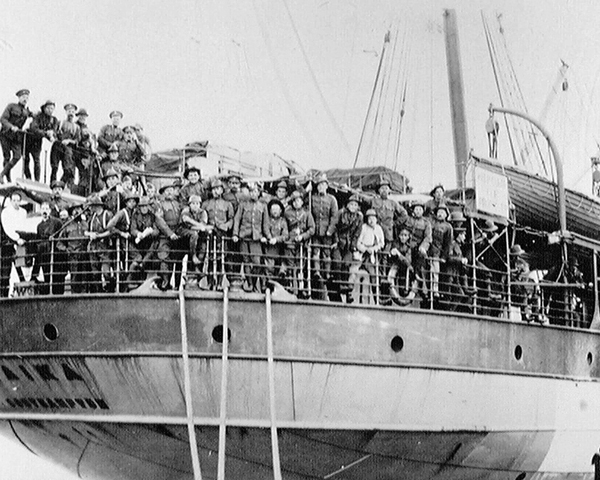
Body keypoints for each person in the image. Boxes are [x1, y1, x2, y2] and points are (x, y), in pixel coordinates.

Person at [365, 176, 408, 303]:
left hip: (388, 236)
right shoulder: (374, 202)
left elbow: (404, 214)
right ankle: (379, 292)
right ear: (378, 191)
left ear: (389, 191)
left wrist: (395, 223)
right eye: (382, 188)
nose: (384, 190)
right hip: (375, 235)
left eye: (386, 188)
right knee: (375, 261)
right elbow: (362, 198)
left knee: (384, 259)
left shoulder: (393, 204)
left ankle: (385, 290)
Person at [233, 182, 267, 292]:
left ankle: (252, 279)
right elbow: (237, 219)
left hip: (256, 238)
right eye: (251, 191)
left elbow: (265, 223)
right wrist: (235, 234)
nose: (253, 194)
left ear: (259, 193)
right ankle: (250, 284)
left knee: (257, 263)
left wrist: (267, 236)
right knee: (246, 260)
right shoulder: (243, 204)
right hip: (244, 236)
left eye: (255, 192)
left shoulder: (263, 206)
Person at [330, 194, 363, 303]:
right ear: (347, 205)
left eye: (355, 205)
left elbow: (357, 232)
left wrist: (353, 245)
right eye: (351, 204)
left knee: (346, 263)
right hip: (338, 242)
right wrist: (335, 241)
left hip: (348, 244)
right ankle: (339, 284)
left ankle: (345, 287)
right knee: (337, 262)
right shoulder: (341, 213)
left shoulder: (359, 217)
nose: (353, 206)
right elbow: (334, 227)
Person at [203, 177, 234, 289]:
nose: (216, 191)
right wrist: (206, 227)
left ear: (222, 190)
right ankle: (210, 281)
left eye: (218, 189)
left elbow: (231, 219)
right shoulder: (206, 204)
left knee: (222, 256)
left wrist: (226, 226)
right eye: (214, 189)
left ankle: (220, 282)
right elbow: (202, 218)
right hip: (210, 233)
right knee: (210, 256)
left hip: (222, 233)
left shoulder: (227, 204)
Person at [106, 192, 139, 290]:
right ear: (126, 203)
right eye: (130, 202)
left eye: (134, 201)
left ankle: (127, 283)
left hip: (132, 240)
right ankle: (127, 281)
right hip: (122, 241)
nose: (132, 204)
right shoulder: (122, 213)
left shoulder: (134, 213)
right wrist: (121, 233)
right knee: (138, 257)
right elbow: (109, 226)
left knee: (131, 262)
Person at [284, 190, 315, 296]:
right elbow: (284, 227)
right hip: (290, 243)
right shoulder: (287, 213)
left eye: (298, 200)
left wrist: (302, 236)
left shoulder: (307, 214)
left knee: (301, 265)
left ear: (302, 202)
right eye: (294, 201)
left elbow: (312, 229)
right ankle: (292, 288)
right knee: (291, 267)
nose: (296, 203)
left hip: (302, 244)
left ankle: (302, 289)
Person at [154, 182, 184, 290]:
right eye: (167, 191)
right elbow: (159, 220)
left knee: (178, 259)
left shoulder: (177, 204)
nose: (170, 192)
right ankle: (165, 282)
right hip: (165, 235)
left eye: (171, 190)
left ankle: (177, 285)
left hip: (177, 233)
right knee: (164, 257)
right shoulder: (160, 205)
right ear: (163, 193)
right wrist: (170, 233)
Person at [32, 202, 67, 294]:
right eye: (43, 209)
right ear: (40, 211)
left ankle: (58, 295)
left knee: (57, 275)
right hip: (44, 254)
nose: (44, 211)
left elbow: (62, 235)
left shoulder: (57, 222)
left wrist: (54, 240)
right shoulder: (39, 226)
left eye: (46, 209)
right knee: (46, 274)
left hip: (55, 253)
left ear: (50, 211)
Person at [0, 89, 33, 183]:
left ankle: (1, 174)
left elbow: (33, 116)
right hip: (5, 134)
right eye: (23, 97)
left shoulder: (26, 111)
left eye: (27, 97)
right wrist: (11, 127)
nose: (25, 99)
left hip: (16, 137)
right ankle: (7, 178)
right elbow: (3, 119)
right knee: (7, 157)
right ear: (19, 98)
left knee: (17, 156)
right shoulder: (11, 106)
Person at [311, 173, 338, 286]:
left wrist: (330, 230)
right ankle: (316, 272)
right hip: (316, 230)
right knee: (316, 251)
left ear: (327, 186)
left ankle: (327, 274)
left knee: (327, 253)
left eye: (323, 185)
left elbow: (334, 217)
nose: (321, 187)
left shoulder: (332, 199)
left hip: (327, 231)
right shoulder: (312, 198)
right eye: (319, 185)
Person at [178, 194, 211, 286]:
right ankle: (193, 256)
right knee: (194, 235)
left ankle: (197, 270)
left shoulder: (203, 212)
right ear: (189, 204)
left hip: (197, 236)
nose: (195, 205)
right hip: (184, 233)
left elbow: (203, 224)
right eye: (193, 203)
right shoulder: (185, 211)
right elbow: (186, 223)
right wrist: (198, 226)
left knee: (203, 247)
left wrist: (199, 226)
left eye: (197, 203)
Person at [0, 191, 28, 296]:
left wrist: (22, 238)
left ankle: (23, 291)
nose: (16, 202)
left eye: (18, 200)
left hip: (20, 242)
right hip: (8, 242)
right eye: (14, 200)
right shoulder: (6, 212)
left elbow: (23, 226)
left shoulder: (23, 212)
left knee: (20, 267)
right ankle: (3, 295)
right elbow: (7, 228)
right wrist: (16, 238)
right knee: (5, 272)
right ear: (11, 201)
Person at [85, 195, 115, 292]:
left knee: (106, 271)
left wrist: (99, 236)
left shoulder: (107, 215)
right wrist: (91, 234)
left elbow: (111, 231)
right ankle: (99, 291)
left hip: (105, 247)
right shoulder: (92, 217)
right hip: (94, 248)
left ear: (97, 206)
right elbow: (85, 231)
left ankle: (110, 289)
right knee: (95, 273)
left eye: (92, 206)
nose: (90, 208)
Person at [24, 99, 59, 182]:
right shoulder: (38, 116)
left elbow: (54, 132)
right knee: (26, 160)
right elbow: (33, 128)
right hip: (28, 138)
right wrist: (46, 133)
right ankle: (28, 178)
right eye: (48, 108)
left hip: (37, 141)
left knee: (37, 160)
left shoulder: (53, 120)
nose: (50, 110)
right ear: (44, 108)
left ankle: (37, 181)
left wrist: (51, 135)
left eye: (52, 108)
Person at [128, 196, 159, 285]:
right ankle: (129, 282)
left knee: (152, 249)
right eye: (142, 206)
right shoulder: (135, 216)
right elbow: (132, 230)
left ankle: (141, 280)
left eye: (145, 206)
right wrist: (139, 234)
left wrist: (150, 232)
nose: (144, 208)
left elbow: (156, 231)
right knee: (136, 261)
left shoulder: (152, 216)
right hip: (138, 243)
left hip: (149, 243)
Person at [404, 200, 432, 298]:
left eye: (420, 209)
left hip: (419, 248)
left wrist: (423, 247)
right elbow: (403, 231)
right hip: (407, 246)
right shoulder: (408, 220)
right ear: (413, 210)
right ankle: (405, 287)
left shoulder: (426, 223)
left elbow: (428, 237)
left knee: (421, 264)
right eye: (416, 209)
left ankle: (422, 288)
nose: (418, 211)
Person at [61, 203, 90, 293]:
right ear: (71, 212)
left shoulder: (86, 224)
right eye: (74, 209)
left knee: (85, 278)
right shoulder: (67, 225)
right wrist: (66, 250)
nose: (77, 211)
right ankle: (75, 297)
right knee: (75, 277)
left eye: (79, 209)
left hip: (85, 255)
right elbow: (59, 241)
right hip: (73, 255)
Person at [356, 209, 385, 301]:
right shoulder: (363, 228)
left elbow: (381, 243)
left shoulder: (379, 228)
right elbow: (358, 243)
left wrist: (374, 249)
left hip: (376, 254)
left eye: (373, 218)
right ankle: (377, 298)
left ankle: (381, 296)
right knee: (373, 273)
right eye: (369, 218)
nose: (371, 220)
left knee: (381, 273)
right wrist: (365, 249)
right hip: (364, 255)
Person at [53, 103, 80, 188]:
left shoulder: (76, 127)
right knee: (54, 167)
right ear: (66, 112)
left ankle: (60, 184)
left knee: (68, 169)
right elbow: (54, 132)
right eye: (69, 111)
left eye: (72, 111)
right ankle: (52, 184)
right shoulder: (60, 122)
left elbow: (77, 140)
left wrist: (69, 141)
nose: (70, 113)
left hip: (68, 149)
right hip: (58, 146)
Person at [429, 203, 453, 299]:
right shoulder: (431, 223)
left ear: (446, 215)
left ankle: (435, 290)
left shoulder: (448, 227)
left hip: (438, 252)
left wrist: (443, 257)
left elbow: (448, 243)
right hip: (428, 249)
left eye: (442, 212)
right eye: (439, 212)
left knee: (435, 272)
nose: (440, 214)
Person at [262, 198, 288, 284]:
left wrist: (276, 239)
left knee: (281, 271)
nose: (275, 211)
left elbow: (285, 235)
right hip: (268, 250)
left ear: (281, 210)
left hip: (280, 250)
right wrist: (264, 238)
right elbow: (262, 230)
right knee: (269, 269)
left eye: (277, 209)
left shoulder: (283, 221)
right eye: (273, 209)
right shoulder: (266, 220)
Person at [444, 225, 470, 312]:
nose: (464, 237)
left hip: (456, 274)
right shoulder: (452, 244)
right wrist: (460, 260)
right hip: (450, 273)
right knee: (448, 295)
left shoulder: (458, 247)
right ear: (459, 235)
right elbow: (449, 257)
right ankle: (448, 312)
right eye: (463, 235)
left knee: (460, 294)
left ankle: (450, 311)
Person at [387, 227, 413, 305]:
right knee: (390, 278)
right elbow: (389, 256)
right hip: (394, 265)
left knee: (403, 289)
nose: (403, 237)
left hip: (404, 269)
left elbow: (408, 261)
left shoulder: (408, 247)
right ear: (398, 236)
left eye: (405, 235)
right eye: (401, 235)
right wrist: (391, 254)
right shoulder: (394, 244)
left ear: (408, 237)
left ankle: (405, 295)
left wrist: (398, 254)